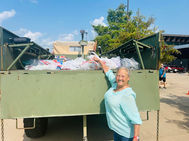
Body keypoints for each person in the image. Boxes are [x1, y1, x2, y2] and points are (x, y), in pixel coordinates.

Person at [93, 57, 142, 141]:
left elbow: (136, 119)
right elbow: (108, 72)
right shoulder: (115, 84)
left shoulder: (127, 95)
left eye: (123, 76)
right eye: (118, 75)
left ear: (128, 78)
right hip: (117, 131)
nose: (120, 78)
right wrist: (100, 61)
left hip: (126, 135)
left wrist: (136, 137)